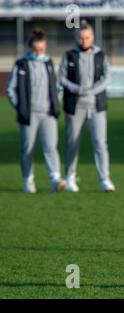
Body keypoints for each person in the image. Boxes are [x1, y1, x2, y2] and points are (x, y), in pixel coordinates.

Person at [59, 20, 115, 193]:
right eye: (81, 38)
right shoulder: (68, 55)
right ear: (77, 38)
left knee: (100, 143)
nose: (84, 41)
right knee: (72, 143)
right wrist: (75, 88)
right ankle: (70, 177)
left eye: (87, 38)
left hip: (97, 106)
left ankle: (105, 179)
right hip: (75, 106)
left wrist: (93, 90)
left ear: (93, 37)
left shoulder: (101, 55)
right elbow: (61, 77)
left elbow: (107, 77)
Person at [7, 28, 66, 193]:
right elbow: (11, 89)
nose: (39, 52)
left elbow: (57, 87)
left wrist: (56, 102)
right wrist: (20, 107)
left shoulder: (48, 63)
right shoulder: (21, 64)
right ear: (30, 47)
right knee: (27, 149)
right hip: (29, 115)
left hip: (48, 114)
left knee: (51, 146)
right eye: (36, 49)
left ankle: (55, 178)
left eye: (42, 49)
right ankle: (28, 179)